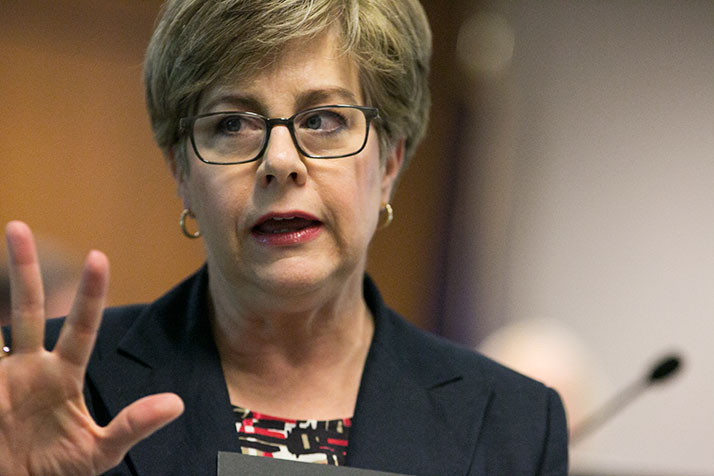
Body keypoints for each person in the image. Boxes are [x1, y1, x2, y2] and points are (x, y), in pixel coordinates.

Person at [0, 1, 568, 475]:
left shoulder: (513, 423)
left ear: (390, 162)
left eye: (323, 120)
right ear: (182, 172)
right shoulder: (45, 391)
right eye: (232, 124)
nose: (279, 161)